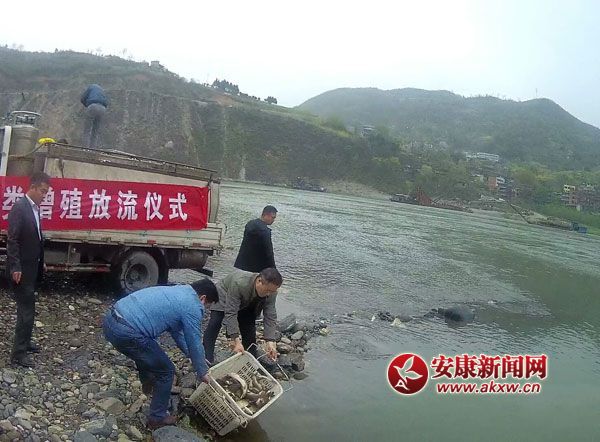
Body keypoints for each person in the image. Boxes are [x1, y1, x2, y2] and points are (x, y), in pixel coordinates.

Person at [102, 279, 218, 430]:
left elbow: (177, 332)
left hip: (110, 320)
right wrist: (202, 371)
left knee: (146, 353)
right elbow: (194, 340)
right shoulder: (193, 305)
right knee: (166, 371)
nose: (205, 309)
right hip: (127, 332)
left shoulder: (179, 290)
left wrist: (194, 357)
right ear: (203, 298)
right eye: (207, 306)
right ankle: (157, 418)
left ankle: (149, 383)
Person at [7, 171, 51, 368]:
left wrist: (41, 261)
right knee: (25, 311)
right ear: (32, 187)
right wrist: (15, 266)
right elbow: (12, 240)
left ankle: (25, 342)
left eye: (46, 192)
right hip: (22, 270)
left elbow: (36, 239)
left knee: (29, 308)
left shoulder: (34, 209)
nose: (44, 195)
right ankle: (18, 353)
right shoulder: (19, 208)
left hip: (32, 267)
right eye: (42, 191)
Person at [203, 267, 282, 364]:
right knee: (215, 322)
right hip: (224, 293)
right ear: (259, 281)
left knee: (249, 326)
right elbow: (231, 312)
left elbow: (270, 314)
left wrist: (270, 341)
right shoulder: (239, 283)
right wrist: (235, 339)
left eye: (272, 291)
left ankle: (250, 359)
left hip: (247, 300)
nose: (269, 294)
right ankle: (206, 359)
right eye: (267, 290)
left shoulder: (271, 291)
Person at [234, 205, 278, 272]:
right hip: (256, 267)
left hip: (242, 263)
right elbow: (269, 252)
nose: (273, 220)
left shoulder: (250, 224)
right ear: (266, 215)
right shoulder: (265, 231)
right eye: (272, 217)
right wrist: (273, 268)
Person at [80, 84, 108, 149]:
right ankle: (93, 149)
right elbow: (106, 102)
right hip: (103, 108)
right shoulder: (102, 90)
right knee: (95, 131)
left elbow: (82, 99)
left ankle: (85, 149)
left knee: (87, 130)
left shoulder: (91, 87)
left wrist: (86, 105)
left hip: (93, 106)